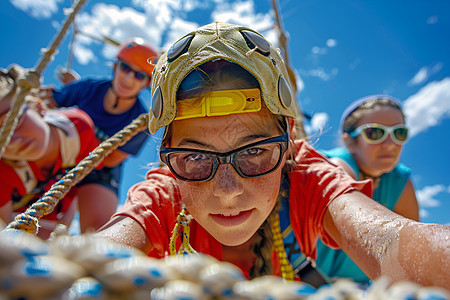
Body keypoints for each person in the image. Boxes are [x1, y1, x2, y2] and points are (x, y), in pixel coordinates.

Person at [96, 22, 449, 290]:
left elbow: (389, 239)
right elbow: (101, 253)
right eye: (196, 157)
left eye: (254, 151)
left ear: (289, 143)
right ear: (167, 158)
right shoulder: (166, 192)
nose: (227, 189)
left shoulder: (306, 175)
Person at [44, 38, 159, 232]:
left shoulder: (143, 122)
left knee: (97, 231)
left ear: (147, 83)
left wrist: (80, 132)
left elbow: (111, 159)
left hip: (101, 170)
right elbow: (49, 105)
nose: (129, 78)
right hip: (62, 158)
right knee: (46, 222)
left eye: (139, 75)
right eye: (125, 68)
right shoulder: (88, 87)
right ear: (115, 67)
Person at [315, 95, 420, 285]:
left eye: (399, 133)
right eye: (374, 133)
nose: (390, 144)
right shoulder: (335, 165)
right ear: (350, 142)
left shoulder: (400, 180)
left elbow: (410, 255)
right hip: (303, 282)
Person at [0, 65, 100, 239]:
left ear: (38, 107)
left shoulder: (79, 129)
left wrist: (63, 229)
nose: (12, 141)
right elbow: (6, 232)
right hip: (20, 223)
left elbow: (78, 183)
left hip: (58, 216)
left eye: (14, 122)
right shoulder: (3, 171)